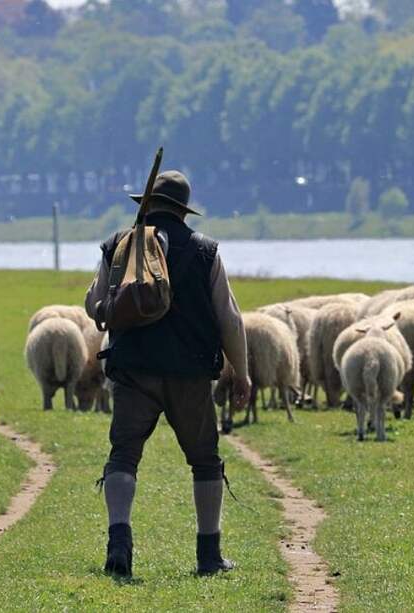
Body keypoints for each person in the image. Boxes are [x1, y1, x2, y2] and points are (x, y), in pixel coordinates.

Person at [85, 170, 250, 578]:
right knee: (205, 460)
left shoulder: (120, 244)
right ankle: (208, 555)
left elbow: (93, 304)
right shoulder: (204, 251)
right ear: (182, 210)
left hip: (132, 370)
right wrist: (241, 373)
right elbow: (229, 318)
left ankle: (119, 541)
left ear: (146, 203)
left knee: (124, 454)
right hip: (189, 373)